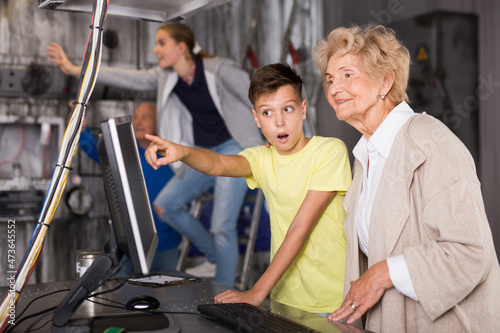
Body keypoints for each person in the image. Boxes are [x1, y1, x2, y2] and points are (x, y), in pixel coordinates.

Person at [313, 24, 500, 332]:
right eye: (330, 79)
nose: (333, 89)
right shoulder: (365, 156)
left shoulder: (430, 142)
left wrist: (380, 274)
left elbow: (471, 253)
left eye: (347, 75)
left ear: (384, 81)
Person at [47, 23, 263, 287]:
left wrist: (275, 142)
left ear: (181, 47)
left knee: (222, 226)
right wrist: (74, 69)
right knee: (164, 205)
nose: (155, 48)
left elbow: (261, 97)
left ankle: (225, 294)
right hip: (201, 152)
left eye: (161, 43)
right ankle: (216, 255)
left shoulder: (220, 70)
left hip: (235, 148)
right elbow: (129, 77)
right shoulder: (166, 76)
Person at [144, 63, 352, 314]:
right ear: (256, 118)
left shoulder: (329, 151)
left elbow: (300, 228)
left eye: (287, 109)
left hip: (333, 301)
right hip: (285, 299)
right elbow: (219, 163)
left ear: (303, 110)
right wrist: (182, 152)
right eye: (267, 113)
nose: (279, 122)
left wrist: (255, 292)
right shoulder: (262, 158)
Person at [78, 102, 180, 274]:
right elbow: (97, 151)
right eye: (135, 118)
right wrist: (82, 130)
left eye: (145, 117)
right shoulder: (125, 154)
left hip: (167, 244)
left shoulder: (173, 156)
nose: (138, 122)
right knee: (126, 295)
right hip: (130, 244)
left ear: (158, 122)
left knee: (166, 295)